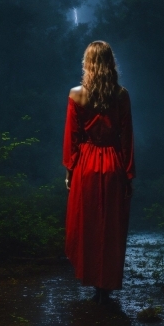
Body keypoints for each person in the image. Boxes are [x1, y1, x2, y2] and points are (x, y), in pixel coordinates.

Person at [63, 40, 135, 303]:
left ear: (88, 64)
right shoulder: (121, 95)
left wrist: (70, 169)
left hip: (86, 163)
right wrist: (128, 173)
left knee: (88, 223)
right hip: (113, 162)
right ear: (110, 63)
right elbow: (126, 137)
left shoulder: (76, 94)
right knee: (111, 226)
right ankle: (105, 285)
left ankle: (92, 278)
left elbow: (72, 137)